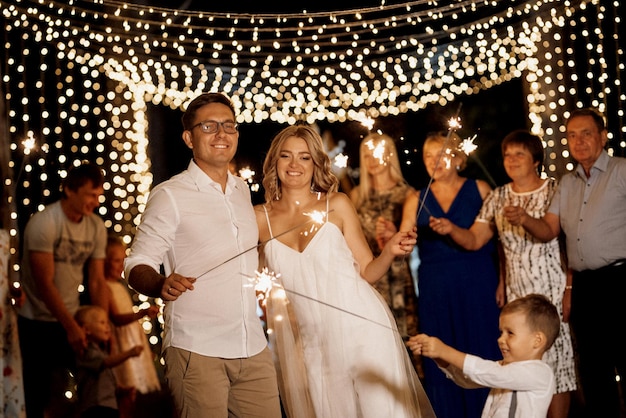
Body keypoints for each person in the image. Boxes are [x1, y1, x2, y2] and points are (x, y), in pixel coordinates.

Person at [255, 124, 435, 418]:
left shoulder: (336, 205)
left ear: (316, 163)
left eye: (304, 157)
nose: (294, 165)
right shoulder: (260, 219)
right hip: (314, 343)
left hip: (364, 328)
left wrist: (389, 250)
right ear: (274, 162)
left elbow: (367, 271)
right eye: (286, 156)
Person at [124, 92, 281, 418]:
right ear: (189, 138)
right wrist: (159, 284)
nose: (221, 134)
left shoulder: (242, 190)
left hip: (252, 347)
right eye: (209, 126)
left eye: (229, 126)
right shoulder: (170, 195)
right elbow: (136, 263)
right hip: (197, 350)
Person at [428, 130, 576, 418]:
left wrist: (570, 286)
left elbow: (559, 236)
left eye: (519, 154)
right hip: (519, 296)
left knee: (558, 368)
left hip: (552, 291)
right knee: (517, 368)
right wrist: (450, 229)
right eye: (507, 155)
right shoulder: (498, 196)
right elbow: (474, 239)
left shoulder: (554, 190)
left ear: (536, 160)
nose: (511, 160)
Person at [505, 108, 626, 417]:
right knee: (594, 371)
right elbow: (549, 230)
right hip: (586, 286)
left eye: (586, 133)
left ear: (602, 136)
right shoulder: (566, 184)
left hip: (620, 279)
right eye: (572, 135)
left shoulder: (622, 171)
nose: (578, 141)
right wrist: (524, 219)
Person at [397, 131, 502, 418]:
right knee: (441, 357)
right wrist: (394, 239)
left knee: (483, 348)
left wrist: (503, 280)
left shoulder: (479, 188)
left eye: (441, 154)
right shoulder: (415, 198)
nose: (435, 161)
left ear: (457, 157)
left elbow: (496, 239)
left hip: (478, 282)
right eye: (428, 157)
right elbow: (406, 239)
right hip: (436, 289)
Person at [17, 161, 109, 418]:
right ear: (70, 190)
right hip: (36, 321)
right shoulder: (44, 223)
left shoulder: (96, 227)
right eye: (91, 195)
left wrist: (99, 322)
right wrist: (71, 327)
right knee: (38, 393)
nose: (96, 202)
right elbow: (44, 283)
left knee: (92, 386)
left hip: (74, 318)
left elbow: (97, 281)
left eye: (99, 195)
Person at [407, 293, 560, 418]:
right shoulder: (505, 367)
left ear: (537, 340)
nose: (501, 339)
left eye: (510, 333)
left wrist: (444, 350)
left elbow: (489, 373)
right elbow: (468, 379)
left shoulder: (540, 373)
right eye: (501, 332)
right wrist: (439, 357)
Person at [349, 132, 418, 340]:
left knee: (402, 333)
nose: (373, 161)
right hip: (366, 274)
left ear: (389, 155)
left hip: (396, 275)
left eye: (377, 154)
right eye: (367, 156)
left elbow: (408, 235)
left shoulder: (407, 194)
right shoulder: (355, 196)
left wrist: (394, 234)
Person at [104, 236, 161, 418]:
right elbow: (117, 318)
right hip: (121, 343)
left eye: (123, 260)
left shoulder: (120, 286)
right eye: (116, 260)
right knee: (124, 390)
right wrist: (141, 313)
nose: (121, 265)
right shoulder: (105, 287)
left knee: (132, 392)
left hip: (130, 340)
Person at [74, 305, 143, 418]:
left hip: (109, 406)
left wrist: (121, 389)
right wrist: (130, 353)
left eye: (107, 323)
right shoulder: (87, 352)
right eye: (102, 323)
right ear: (87, 329)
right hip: (95, 407)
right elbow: (106, 362)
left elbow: (105, 380)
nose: (107, 327)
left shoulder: (101, 352)